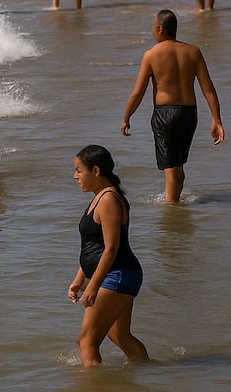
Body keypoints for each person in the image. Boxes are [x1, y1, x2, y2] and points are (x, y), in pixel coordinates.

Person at [121, 9, 226, 202]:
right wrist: (216, 119)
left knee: (171, 168)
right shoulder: (193, 52)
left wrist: (126, 117)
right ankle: (177, 206)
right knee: (177, 165)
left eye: (153, 27)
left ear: (160, 29)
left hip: (165, 114)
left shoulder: (151, 55)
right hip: (188, 113)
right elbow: (208, 88)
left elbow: (138, 92)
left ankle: (171, 214)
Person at [68, 145, 149, 367]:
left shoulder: (108, 199)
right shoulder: (99, 197)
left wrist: (92, 286)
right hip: (117, 274)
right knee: (119, 336)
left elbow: (111, 248)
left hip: (118, 275)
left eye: (79, 170)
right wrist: (79, 279)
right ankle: (149, 373)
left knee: (87, 342)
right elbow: (93, 246)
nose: (75, 176)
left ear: (95, 171)